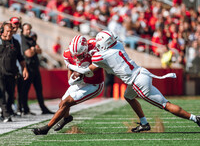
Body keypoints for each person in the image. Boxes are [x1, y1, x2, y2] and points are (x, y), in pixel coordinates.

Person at [67, 30, 200, 131]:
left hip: (137, 82)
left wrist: (70, 66)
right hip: (141, 73)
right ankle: (144, 123)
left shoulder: (101, 56)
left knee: (166, 105)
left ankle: (195, 118)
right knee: (128, 96)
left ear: (103, 44)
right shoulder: (118, 45)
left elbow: (87, 70)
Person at [32, 36, 104, 135]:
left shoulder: (94, 49)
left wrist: (81, 73)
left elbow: (93, 69)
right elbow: (70, 69)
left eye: (80, 55)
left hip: (94, 84)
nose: (77, 58)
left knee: (66, 103)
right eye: (75, 55)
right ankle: (67, 118)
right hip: (81, 82)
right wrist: (71, 79)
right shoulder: (67, 54)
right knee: (61, 105)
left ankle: (46, 128)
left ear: (85, 49)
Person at [21, 23, 53, 115]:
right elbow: (28, 54)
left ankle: (43, 108)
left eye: (29, 29)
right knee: (25, 90)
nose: (29, 31)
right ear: (23, 30)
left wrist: (33, 49)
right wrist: (34, 50)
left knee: (39, 89)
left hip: (35, 67)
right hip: (28, 67)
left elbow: (40, 50)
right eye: (27, 29)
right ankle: (25, 109)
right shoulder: (22, 39)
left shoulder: (31, 39)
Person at [0, 22, 28, 122]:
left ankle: (5, 113)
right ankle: (6, 114)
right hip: (0, 73)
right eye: (7, 31)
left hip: (11, 73)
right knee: (1, 94)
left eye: (11, 32)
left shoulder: (15, 42)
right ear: (2, 31)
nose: (9, 34)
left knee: (10, 95)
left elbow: (20, 57)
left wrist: (24, 69)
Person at [10, 16, 24, 115]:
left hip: (18, 65)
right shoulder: (8, 36)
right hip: (9, 65)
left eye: (17, 23)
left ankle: (18, 107)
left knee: (18, 88)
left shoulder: (18, 36)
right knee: (8, 88)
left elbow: (20, 53)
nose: (16, 25)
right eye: (14, 23)